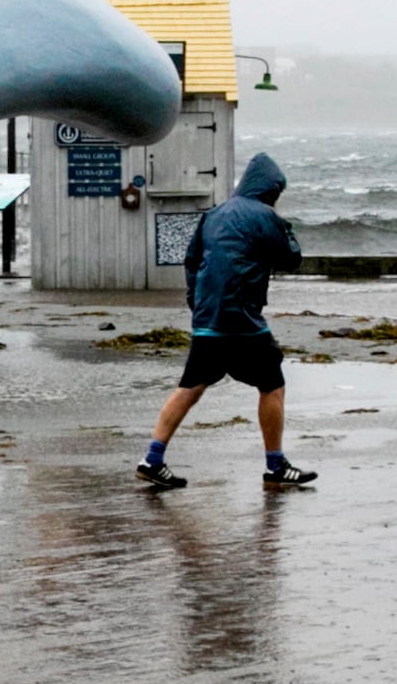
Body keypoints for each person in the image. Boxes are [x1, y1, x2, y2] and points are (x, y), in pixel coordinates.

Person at [136, 151, 317, 490]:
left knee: (190, 386)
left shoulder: (215, 213)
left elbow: (191, 262)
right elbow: (291, 258)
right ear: (271, 190)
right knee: (272, 385)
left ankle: (153, 459)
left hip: (208, 317)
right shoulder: (264, 215)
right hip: (242, 319)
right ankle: (275, 466)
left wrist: (198, 304)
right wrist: (285, 227)